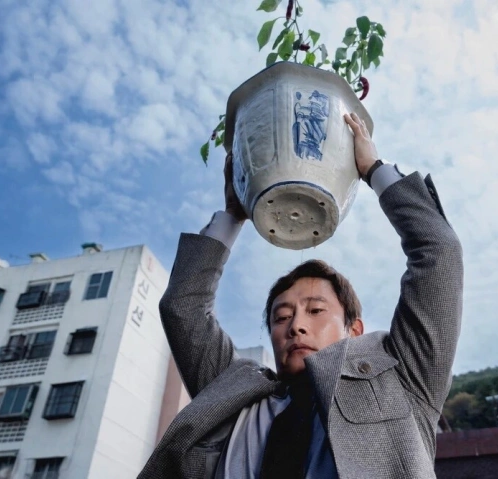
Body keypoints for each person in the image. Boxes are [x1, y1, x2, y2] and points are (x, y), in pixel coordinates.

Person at [138, 113, 464, 479]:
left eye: (316, 310)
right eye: (281, 317)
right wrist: (233, 213)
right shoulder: (230, 392)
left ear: (354, 330)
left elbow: (439, 252)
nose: (296, 326)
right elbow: (182, 307)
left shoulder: (404, 376)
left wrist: (373, 169)